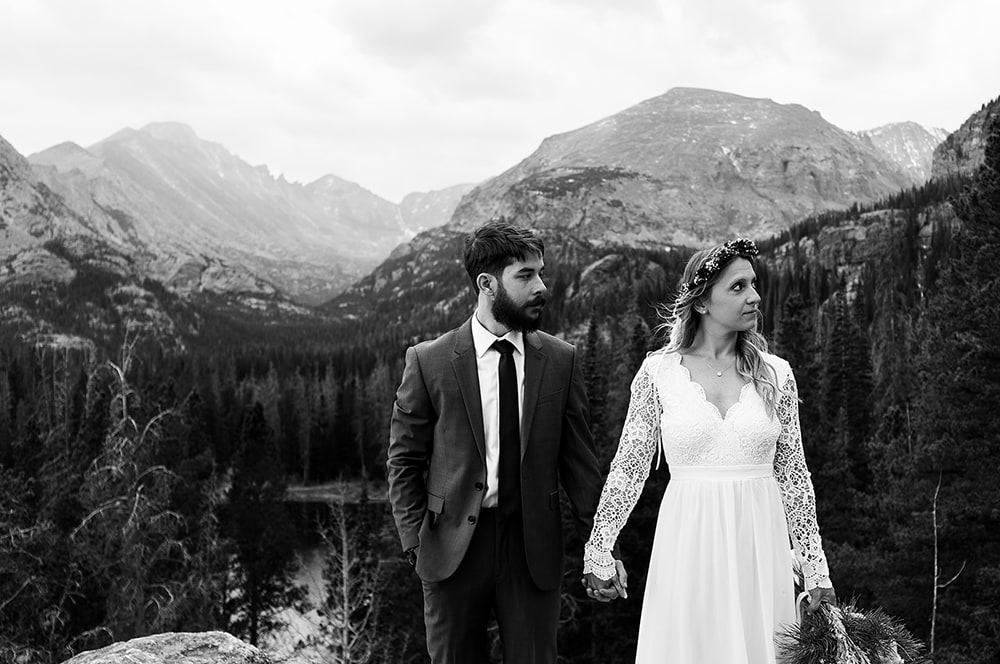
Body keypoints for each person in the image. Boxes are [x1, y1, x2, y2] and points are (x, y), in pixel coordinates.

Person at [582, 238, 837, 663]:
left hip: (760, 547)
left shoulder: (777, 375)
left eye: (754, 284)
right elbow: (628, 468)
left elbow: (794, 478)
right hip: (688, 543)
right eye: (737, 287)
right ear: (701, 303)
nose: (755, 296)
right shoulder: (658, 373)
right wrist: (599, 547)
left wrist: (816, 572)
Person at [386, 220, 622, 664]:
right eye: (526, 275)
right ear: (486, 284)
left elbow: (580, 466)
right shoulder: (429, 361)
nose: (541, 286)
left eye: (541, 272)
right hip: (451, 548)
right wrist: (416, 542)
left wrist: (602, 546)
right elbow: (403, 461)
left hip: (532, 547)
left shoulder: (560, 359)